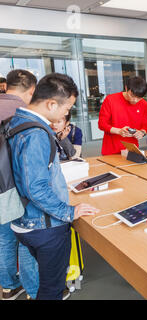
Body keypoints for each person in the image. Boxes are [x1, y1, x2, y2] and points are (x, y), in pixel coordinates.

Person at [8, 73, 99, 300]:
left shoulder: (15, 122)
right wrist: (69, 211)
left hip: (22, 220)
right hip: (44, 226)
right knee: (51, 291)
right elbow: (35, 187)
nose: (67, 113)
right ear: (51, 103)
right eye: (67, 107)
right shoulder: (36, 133)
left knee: (45, 286)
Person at [0, 69, 39, 301]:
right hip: (15, 188)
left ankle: (8, 287)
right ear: (32, 90)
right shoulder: (22, 114)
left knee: (4, 238)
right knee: (25, 238)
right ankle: (34, 291)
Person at [98, 76, 147, 156]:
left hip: (132, 150)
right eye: (132, 95)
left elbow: (145, 126)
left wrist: (141, 132)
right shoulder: (110, 100)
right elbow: (102, 124)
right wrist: (119, 131)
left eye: (139, 97)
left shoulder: (144, 105)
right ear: (126, 88)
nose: (135, 100)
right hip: (111, 150)